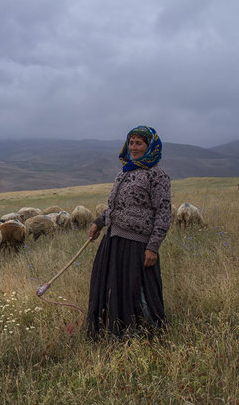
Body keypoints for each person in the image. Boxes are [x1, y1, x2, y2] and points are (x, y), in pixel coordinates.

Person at [86, 125, 172, 338]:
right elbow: (116, 206)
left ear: (150, 146)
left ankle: (145, 332)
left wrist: (153, 247)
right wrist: (98, 222)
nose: (133, 147)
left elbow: (163, 213)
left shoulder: (157, 176)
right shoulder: (124, 172)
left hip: (137, 244)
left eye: (139, 143)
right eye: (131, 142)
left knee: (136, 290)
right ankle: (112, 329)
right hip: (113, 239)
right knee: (109, 286)